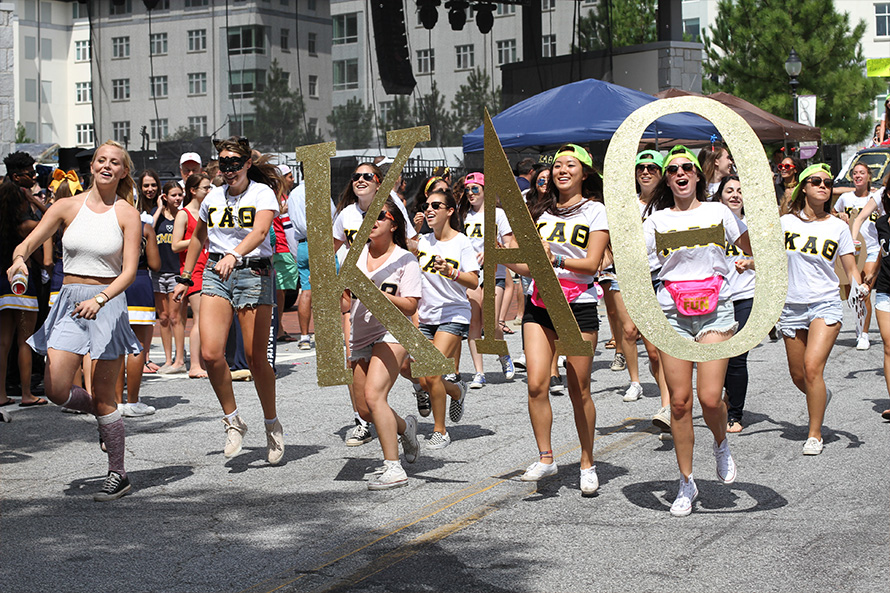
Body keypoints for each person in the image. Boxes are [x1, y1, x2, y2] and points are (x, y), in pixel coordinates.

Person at [6, 140, 143, 501]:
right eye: (101, 160)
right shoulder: (66, 206)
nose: (107, 166)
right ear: (92, 166)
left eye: (115, 162)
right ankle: (104, 417)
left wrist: (101, 299)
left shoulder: (127, 213)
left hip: (108, 302)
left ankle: (118, 473)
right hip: (68, 301)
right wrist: (20, 259)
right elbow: (28, 243)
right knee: (54, 389)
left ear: (123, 171)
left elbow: (129, 272)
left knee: (104, 394)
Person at [643, 146, 750, 516]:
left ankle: (721, 442)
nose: (681, 173)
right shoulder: (655, 221)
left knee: (708, 398)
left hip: (716, 310)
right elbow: (635, 267)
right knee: (678, 402)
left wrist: (754, 261)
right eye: (673, 169)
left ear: (698, 175)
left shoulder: (719, 212)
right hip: (671, 312)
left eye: (687, 167)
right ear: (666, 178)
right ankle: (686, 482)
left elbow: (753, 246)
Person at [173, 136, 283, 464]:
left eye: (235, 161)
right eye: (224, 162)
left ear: (248, 163)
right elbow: (198, 236)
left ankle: (271, 423)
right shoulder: (213, 197)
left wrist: (235, 254)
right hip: (216, 273)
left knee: (254, 357)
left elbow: (261, 232)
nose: (229, 168)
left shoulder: (262, 194)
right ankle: (233, 420)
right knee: (209, 354)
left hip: (254, 272)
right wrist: (185, 276)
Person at [508, 144, 609, 496]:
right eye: (558, 165)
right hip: (540, 303)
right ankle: (546, 456)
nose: (562, 170)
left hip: (578, 304)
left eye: (571, 164)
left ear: (584, 172)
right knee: (536, 383)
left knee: (579, 388)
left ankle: (587, 461)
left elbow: (593, 262)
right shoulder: (539, 211)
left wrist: (557, 261)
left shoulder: (596, 211)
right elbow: (528, 264)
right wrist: (505, 258)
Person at [779, 163, 863, 456]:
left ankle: (814, 434)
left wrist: (858, 286)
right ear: (803, 187)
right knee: (798, 375)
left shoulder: (838, 226)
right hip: (791, 305)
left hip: (824, 302)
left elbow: (851, 267)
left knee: (813, 368)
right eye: (816, 181)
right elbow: (770, 259)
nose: (823, 186)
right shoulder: (785, 223)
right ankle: (821, 396)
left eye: (827, 182)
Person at [349, 198, 422, 489]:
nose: (372, 221)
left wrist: (379, 295)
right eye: (368, 216)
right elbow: (344, 301)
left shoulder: (405, 259)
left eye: (379, 215)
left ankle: (393, 469)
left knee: (374, 394)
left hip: (393, 331)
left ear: (393, 223)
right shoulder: (354, 256)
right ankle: (406, 427)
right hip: (360, 334)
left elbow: (410, 304)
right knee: (365, 409)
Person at [413, 187, 476, 449]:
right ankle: (457, 391)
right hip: (427, 315)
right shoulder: (423, 242)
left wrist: (451, 272)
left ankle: (440, 431)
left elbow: (473, 280)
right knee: (424, 379)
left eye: (436, 206)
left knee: (433, 372)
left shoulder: (461, 242)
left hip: (454, 311)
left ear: (450, 211)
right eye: (427, 205)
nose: (429, 210)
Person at [458, 172, 516, 389]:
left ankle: (503, 355)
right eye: (467, 190)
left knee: (491, 323)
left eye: (475, 189)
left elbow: (509, 245)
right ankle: (479, 372)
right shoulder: (463, 216)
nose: (470, 193)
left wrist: (493, 252)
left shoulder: (498, 214)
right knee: (474, 322)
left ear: (485, 191)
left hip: (495, 273)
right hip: (472, 273)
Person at [713, 175, 755, 432]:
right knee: (720, 356)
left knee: (738, 356)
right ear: (720, 197)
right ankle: (724, 397)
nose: (735, 194)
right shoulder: (710, 223)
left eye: (740, 190)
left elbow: (774, 260)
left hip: (746, 296)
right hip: (717, 298)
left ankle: (735, 414)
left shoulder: (754, 227)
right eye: (729, 190)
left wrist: (750, 262)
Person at [0, 181, 47, 407]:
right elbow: (51, 219)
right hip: (22, 284)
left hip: (2, 283)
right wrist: (33, 200)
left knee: (3, 343)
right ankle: (27, 394)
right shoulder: (26, 225)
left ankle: (0, 394)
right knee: (24, 341)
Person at [115, 211, 161, 416]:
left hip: (114, 282)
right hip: (139, 281)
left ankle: (115, 401)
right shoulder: (144, 227)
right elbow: (155, 264)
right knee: (137, 345)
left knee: (115, 345)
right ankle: (132, 401)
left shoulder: (109, 221)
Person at [171, 173, 213, 378]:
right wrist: (198, 239)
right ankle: (195, 364)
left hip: (209, 267)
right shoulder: (183, 214)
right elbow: (175, 245)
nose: (209, 191)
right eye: (206, 188)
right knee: (198, 317)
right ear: (193, 191)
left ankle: (204, 360)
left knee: (207, 318)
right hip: (192, 269)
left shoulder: (209, 212)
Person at [834, 162, 879, 350]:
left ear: (869, 176)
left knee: (864, 289)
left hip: (874, 249)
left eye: (862, 172)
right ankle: (860, 327)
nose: (858, 176)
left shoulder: (876, 197)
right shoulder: (845, 198)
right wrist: (840, 215)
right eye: (855, 173)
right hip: (853, 250)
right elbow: (833, 213)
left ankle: (864, 334)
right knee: (855, 292)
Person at [151, 181, 187, 374]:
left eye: (180, 194)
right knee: (163, 317)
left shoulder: (183, 216)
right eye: (173, 195)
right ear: (164, 197)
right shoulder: (156, 217)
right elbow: (147, 227)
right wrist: (158, 209)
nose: (178, 198)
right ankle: (168, 359)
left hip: (176, 272)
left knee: (175, 316)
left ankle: (180, 359)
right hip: (158, 272)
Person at [871, 181, 890, 420]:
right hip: (886, 289)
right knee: (888, 345)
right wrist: (870, 278)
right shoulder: (882, 223)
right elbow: (882, 251)